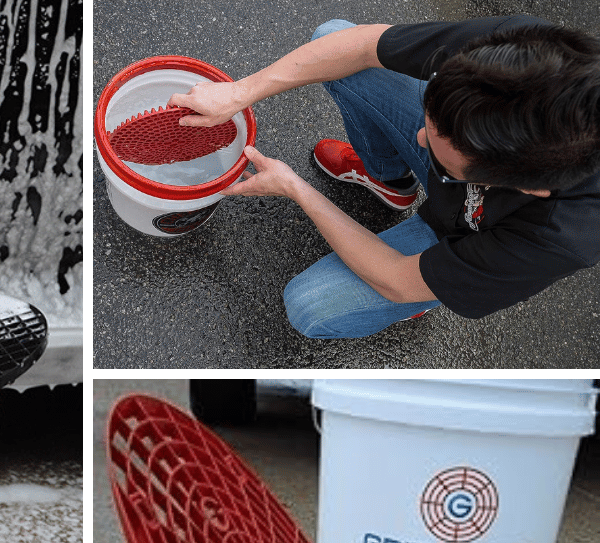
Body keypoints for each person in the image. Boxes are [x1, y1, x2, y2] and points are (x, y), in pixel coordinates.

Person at [169, 16, 600, 339]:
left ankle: (433, 284)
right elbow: (362, 44)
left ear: (528, 186)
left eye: (435, 146)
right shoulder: (522, 59)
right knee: (332, 39)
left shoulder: (559, 236)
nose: (416, 137)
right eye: (430, 120)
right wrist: (240, 91)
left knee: (310, 308)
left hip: (463, 239)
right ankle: (391, 184)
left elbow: (394, 277)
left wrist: (295, 187)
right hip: (479, 173)